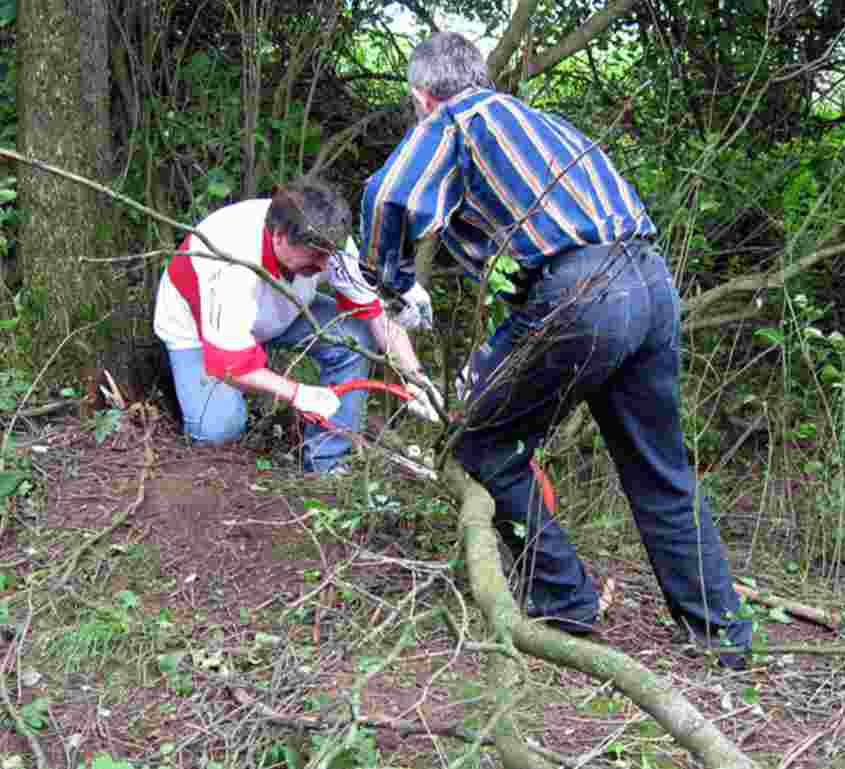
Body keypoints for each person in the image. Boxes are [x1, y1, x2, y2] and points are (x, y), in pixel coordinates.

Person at [359, 32, 753, 666]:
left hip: (586, 293)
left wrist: (392, 285)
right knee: (661, 472)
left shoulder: (455, 119)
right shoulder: (543, 124)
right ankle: (723, 639)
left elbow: (388, 196)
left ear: (421, 96)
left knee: (481, 442)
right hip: (649, 282)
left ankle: (563, 602)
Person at [154, 176, 440, 474]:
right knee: (219, 430)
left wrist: (417, 380)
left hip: (281, 311)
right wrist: (297, 393)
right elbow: (229, 365)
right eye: (316, 258)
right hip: (199, 332)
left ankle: (328, 463)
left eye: (329, 256)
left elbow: (376, 314)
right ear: (278, 236)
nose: (325, 266)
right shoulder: (232, 263)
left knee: (355, 335)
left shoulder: (327, 241)